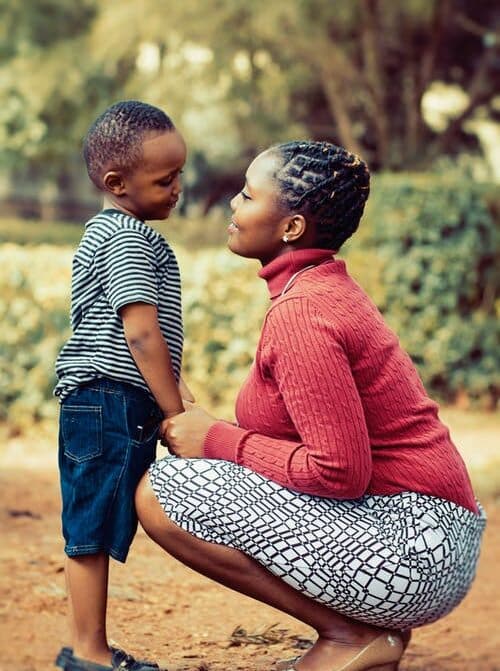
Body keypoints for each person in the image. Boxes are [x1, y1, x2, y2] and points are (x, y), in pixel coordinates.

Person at [135, 140, 486, 671]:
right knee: (194, 476)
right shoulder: (319, 290)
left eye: (248, 196)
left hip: (416, 549)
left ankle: (350, 636)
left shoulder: (303, 312)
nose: (233, 204)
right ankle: (362, 632)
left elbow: (339, 470)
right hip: (429, 537)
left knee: (163, 492)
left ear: (292, 227)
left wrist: (216, 440)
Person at [54, 100, 192, 671]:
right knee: (90, 527)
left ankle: (90, 649)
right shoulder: (126, 238)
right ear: (117, 183)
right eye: (165, 179)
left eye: (180, 173)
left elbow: (142, 338)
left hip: (111, 400)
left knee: (98, 521)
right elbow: (140, 332)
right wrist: (175, 410)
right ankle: (88, 653)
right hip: (106, 399)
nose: (178, 188)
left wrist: (176, 392)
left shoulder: (120, 234)